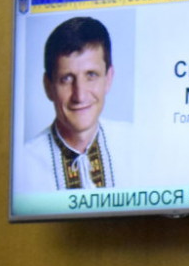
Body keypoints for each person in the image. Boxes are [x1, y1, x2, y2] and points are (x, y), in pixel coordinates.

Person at [16, 16, 145, 192]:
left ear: (108, 79)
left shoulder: (137, 145)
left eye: (91, 75)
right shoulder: (23, 165)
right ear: (48, 86)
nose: (80, 95)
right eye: (67, 79)